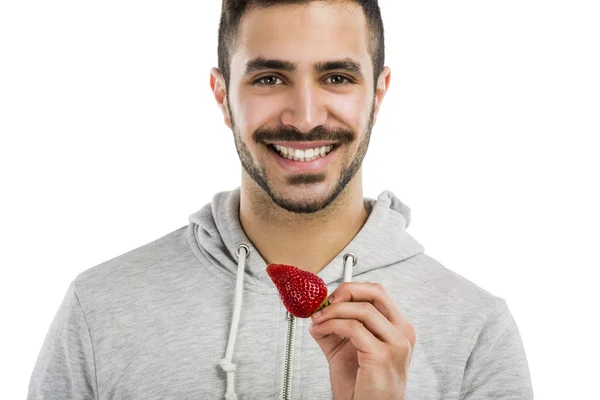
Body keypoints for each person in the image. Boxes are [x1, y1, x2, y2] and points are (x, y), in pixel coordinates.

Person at [27, 1, 533, 399]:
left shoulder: (476, 329)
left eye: (337, 77)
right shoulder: (99, 308)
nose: (305, 116)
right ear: (222, 94)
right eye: (270, 78)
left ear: (378, 94)